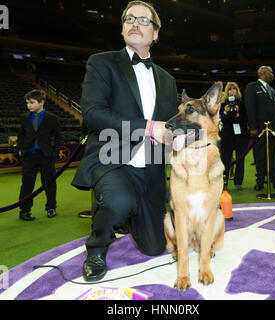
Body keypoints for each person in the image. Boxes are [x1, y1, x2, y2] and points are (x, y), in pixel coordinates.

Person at [71, 1, 178, 282]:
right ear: (122, 29)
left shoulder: (168, 80)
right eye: (129, 18)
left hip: (151, 168)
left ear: (155, 34)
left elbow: (169, 127)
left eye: (143, 20)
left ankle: (129, 212)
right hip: (111, 155)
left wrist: (182, 139)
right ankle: (96, 248)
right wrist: (147, 127)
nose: (135, 23)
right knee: (118, 201)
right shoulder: (102, 62)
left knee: (155, 247)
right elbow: (92, 114)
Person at [17, 89, 62, 221]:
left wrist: (54, 152)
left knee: (49, 183)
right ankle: (24, 210)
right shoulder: (24, 117)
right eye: (27, 103)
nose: (29, 105)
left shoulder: (52, 118)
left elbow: (58, 137)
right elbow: (21, 135)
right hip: (28, 156)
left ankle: (51, 207)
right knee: (27, 184)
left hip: (46, 156)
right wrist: (20, 149)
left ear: (41, 102)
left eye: (31, 102)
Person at [245, 66, 275, 191]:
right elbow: (250, 108)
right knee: (260, 156)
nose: (273, 75)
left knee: (274, 157)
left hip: (274, 130)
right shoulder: (252, 87)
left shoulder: (272, 90)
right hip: (260, 129)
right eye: (271, 72)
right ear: (263, 73)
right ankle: (260, 181)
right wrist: (252, 127)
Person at [219, 82, 249, 190]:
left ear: (237, 91)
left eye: (234, 89)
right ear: (227, 92)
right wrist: (226, 112)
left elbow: (245, 120)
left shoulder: (242, 104)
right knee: (225, 160)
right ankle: (224, 182)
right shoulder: (223, 105)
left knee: (240, 160)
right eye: (230, 89)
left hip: (241, 136)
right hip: (227, 137)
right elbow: (223, 121)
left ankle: (238, 182)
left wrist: (237, 115)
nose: (232, 91)